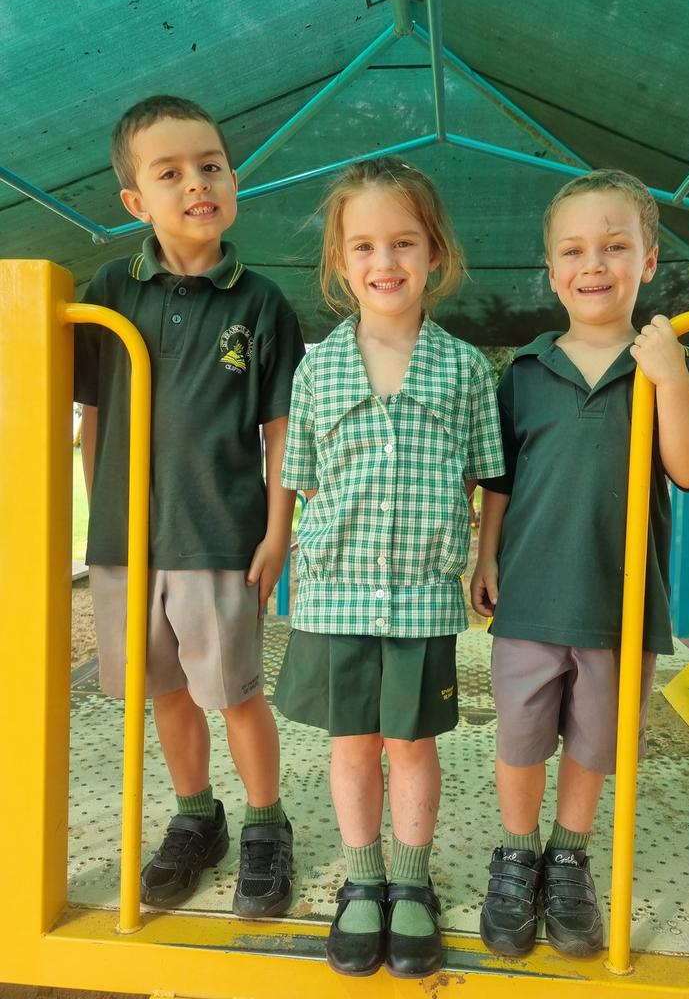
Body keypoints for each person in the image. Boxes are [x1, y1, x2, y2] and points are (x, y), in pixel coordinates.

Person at [471, 169, 689, 958]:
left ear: (649, 261)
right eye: (575, 250)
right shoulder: (525, 371)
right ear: (551, 271)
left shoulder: (662, 365)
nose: (594, 265)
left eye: (615, 247)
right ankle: (518, 854)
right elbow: (500, 480)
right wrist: (485, 554)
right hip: (532, 595)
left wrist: (670, 376)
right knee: (520, 738)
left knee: (595, 743)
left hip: (621, 604)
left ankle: (570, 854)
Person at [75, 95, 305, 918]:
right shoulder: (107, 289)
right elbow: (92, 420)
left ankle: (267, 824)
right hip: (124, 542)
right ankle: (195, 812)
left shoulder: (260, 302)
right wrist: (106, 520)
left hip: (219, 536)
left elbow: (282, 432)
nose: (197, 183)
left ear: (233, 179)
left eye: (210, 166)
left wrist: (278, 531)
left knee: (234, 690)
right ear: (136, 201)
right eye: (170, 173)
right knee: (160, 687)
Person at [274, 157, 504, 978]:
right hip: (335, 595)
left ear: (434, 253)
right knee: (351, 745)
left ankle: (410, 885)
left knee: (409, 745)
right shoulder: (318, 370)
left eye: (403, 242)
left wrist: (485, 557)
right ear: (340, 263)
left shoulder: (466, 370)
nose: (385, 263)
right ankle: (362, 880)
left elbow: (491, 475)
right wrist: (276, 550)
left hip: (420, 598)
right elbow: (295, 477)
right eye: (364, 246)